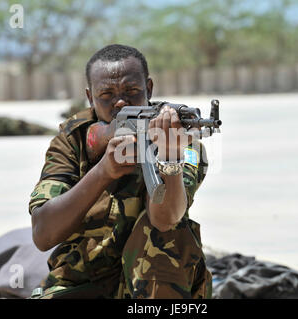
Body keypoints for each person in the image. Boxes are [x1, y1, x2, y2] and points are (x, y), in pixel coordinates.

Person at [28, 44, 212, 299]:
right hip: (82, 280)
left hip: (154, 281)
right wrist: (103, 171)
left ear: (149, 88)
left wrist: (170, 157)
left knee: (169, 238)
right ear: (90, 96)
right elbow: (43, 234)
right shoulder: (74, 141)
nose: (121, 101)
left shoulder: (183, 142)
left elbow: (166, 220)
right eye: (106, 94)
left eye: (131, 90)